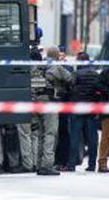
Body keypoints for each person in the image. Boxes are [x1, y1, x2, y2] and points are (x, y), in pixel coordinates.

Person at [35, 46, 72, 175]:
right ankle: (47, 165)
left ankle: (39, 164)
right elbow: (70, 79)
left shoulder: (38, 66)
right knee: (50, 133)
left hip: (36, 102)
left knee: (40, 134)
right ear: (56, 56)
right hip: (50, 102)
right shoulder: (57, 67)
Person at [66, 52, 100, 172]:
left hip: (77, 108)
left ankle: (71, 164)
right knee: (92, 138)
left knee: (75, 137)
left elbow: (69, 86)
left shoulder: (75, 74)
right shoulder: (96, 74)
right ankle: (92, 165)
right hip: (91, 109)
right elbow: (99, 90)